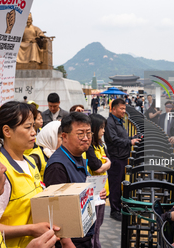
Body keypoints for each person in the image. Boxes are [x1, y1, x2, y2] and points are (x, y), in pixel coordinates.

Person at [0, 101, 59, 248]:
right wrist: (31, 229)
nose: (34, 132)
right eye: (27, 127)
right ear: (7, 131)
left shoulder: (30, 162)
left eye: (33, 126)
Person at [44, 112, 104, 248]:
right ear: (64, 136)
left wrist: (95, 193)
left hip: (84, 233)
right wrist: (67, 242)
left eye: (89, 133)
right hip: (72, 241)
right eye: (80, 134)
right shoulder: (58, 167)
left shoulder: (78, 156)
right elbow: (55, 210)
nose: (86, 138)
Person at [104, 98, 140, 221]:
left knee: (121, 184)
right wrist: (130, 141)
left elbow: (122, 137)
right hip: (116, 158)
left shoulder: (118, 121)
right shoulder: (109, 122)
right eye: (121, 108)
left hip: (123, 157)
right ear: (113, 109)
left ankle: (120, 207)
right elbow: (113, 139)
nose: (124, 111)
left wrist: (133, 138)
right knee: (115, 185)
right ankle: (114, 211)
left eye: (125, 109)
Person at [84, 114, 111, 248]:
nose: (103, 131)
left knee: (98, 225)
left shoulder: (100, 145)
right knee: (93, 228)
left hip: (102, 192)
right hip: (93, 193)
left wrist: (105, 164)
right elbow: (97, 166)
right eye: (101, 128)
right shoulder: (89, 148)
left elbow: (103, 163)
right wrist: (107, 164)